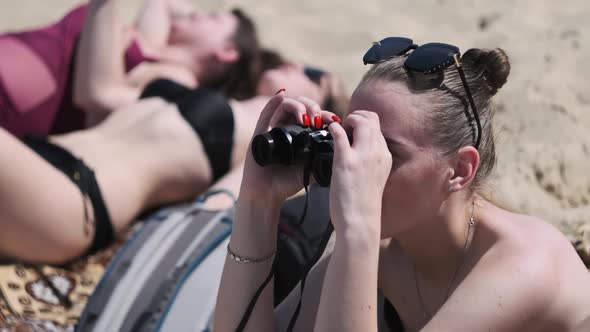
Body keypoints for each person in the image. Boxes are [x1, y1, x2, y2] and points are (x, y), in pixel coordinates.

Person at [214, 37, 590, 331]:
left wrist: (357, 232)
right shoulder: (386, 246)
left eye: (386, 151)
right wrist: (257, 200)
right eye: (352, 137)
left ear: (460, 170)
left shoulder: (523, 265)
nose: (360, 163)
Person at [0, 0, 261, 137]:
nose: (198, 14)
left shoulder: (178, 83)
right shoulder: (151, 47)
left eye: (212, 18)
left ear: (227, 52)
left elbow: (95, 97)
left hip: (11, 104)